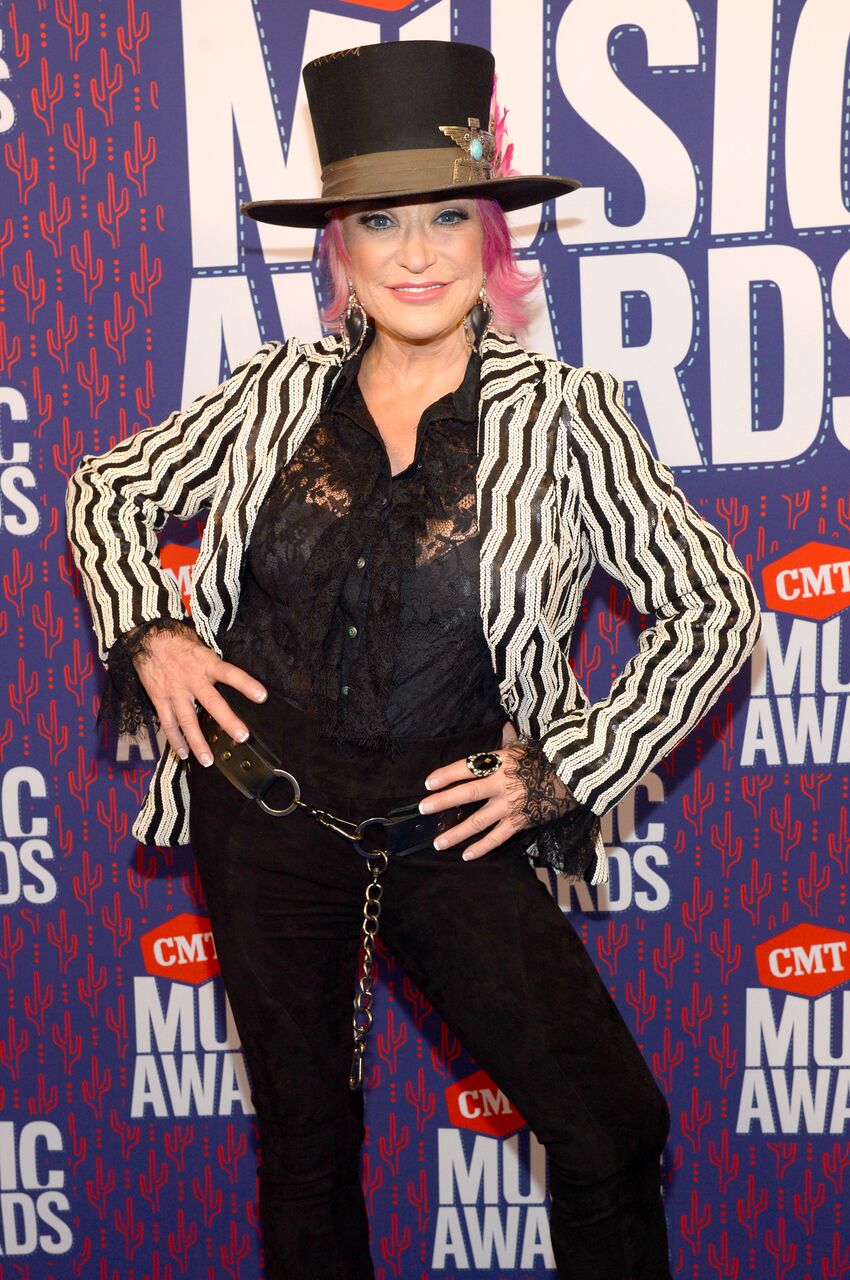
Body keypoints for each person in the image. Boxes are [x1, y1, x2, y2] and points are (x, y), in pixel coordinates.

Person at [65, 39, 761, 1280]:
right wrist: (152, 631)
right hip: (263, 815)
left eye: (450, 212)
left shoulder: (567, 415)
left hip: (451, 829)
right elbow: (103, 490)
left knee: (610, 1125)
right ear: (338, 244)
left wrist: (569, 766)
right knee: (308, 1147)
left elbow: (714, 605)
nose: (420, 250)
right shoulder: (268, 395)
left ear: (490, 230)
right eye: (381, 220)